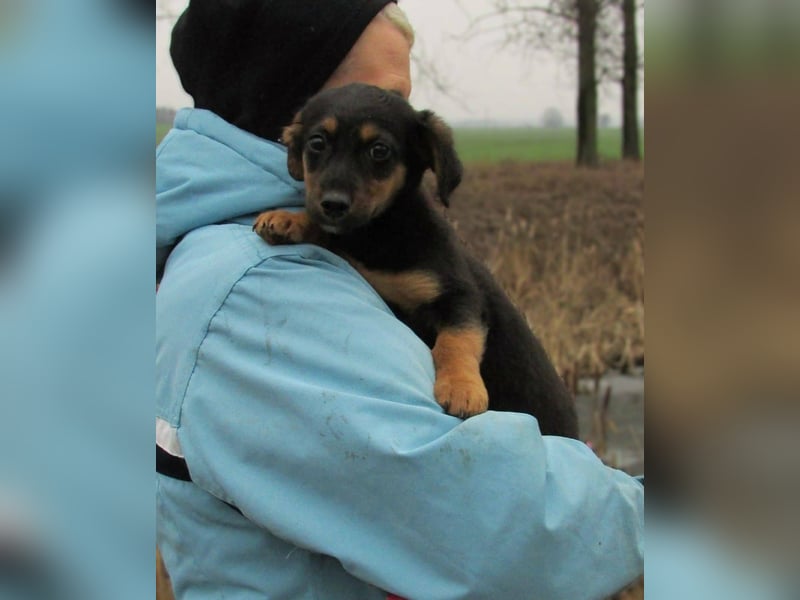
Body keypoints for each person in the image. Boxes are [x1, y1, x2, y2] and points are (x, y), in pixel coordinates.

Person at [156, 1, 644, 598]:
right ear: (291, 114)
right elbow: (491, 530)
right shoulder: (258, 289)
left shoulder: (214, 239)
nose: (398, 117)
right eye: (378, 93)